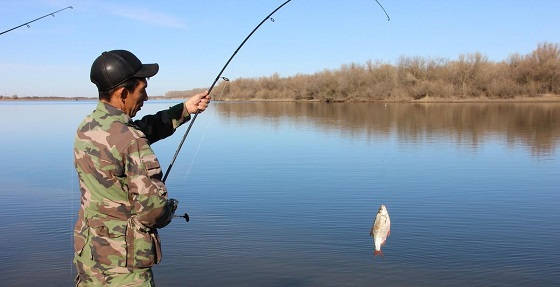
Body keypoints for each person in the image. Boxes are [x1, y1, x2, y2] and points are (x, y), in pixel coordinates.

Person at [73, 50, 210, 286]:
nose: (145, 97)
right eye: (142, 90)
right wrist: (170, 207)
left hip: (90, 256)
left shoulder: (87, 127)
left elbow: (143, 129)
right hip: (124, 268)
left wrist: (185, 109)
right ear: (123, 93)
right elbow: (152, 211)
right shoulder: (131, 140)